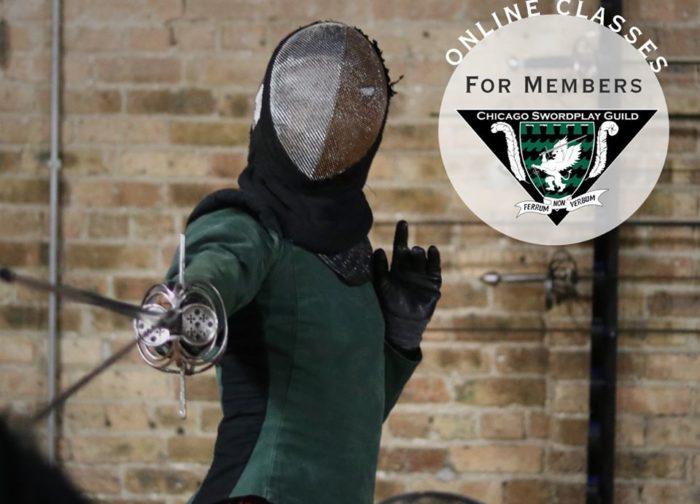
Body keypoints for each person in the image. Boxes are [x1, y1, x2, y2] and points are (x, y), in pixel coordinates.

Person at [156, 21, 442, 504]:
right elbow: (221, 259)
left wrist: (398, 337)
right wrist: (194, 297)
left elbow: (349, 419)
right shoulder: (251, 224)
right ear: (272, 109)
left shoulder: (351, 252)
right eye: (306, 100)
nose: (326, 119)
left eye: (346, 104)